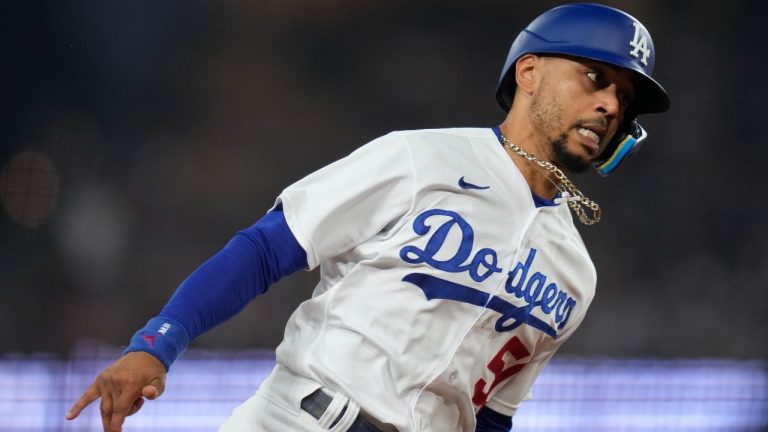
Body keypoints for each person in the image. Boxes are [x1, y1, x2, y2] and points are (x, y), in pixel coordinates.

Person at [66, 3, 670, 431]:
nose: (611, 104)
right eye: (596, 77)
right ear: (529, 71)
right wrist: (157, 343)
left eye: (626, 97)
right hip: (301, 422)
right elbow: (267, 248)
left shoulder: (575, 275)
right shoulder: (421, 157)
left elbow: (490, 416)